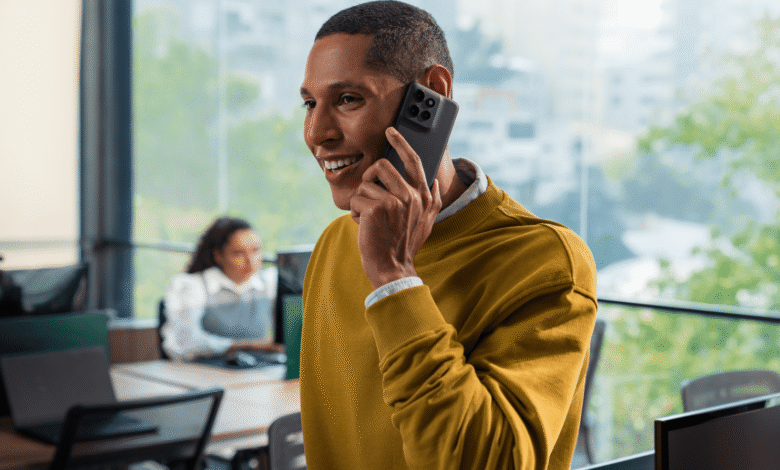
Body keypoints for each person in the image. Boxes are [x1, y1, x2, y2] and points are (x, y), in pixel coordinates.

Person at [298, 1, 598, 469]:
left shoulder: (547, 262)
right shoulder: (334, 245)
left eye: (348, 99)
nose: (316, 132)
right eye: (310, 104)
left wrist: (395, 279)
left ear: (431, 93)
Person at [161, 216, 281, 362]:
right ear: (218, 255)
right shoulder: (191, 286)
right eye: (238, 253)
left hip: (255, 372)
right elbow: (184, 344)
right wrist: (249, 345)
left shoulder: (270, 282)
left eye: (256, 250)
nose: (250, 261)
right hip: (201, 373)